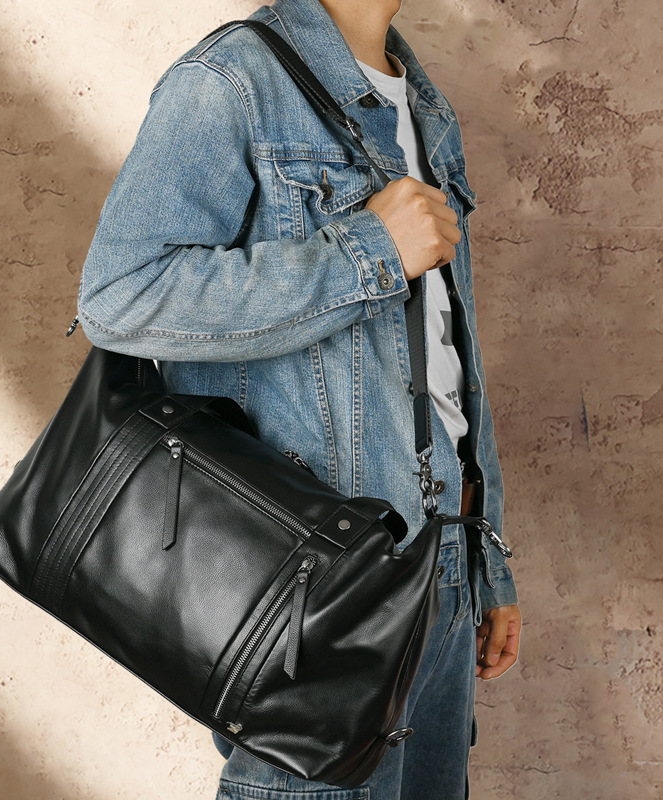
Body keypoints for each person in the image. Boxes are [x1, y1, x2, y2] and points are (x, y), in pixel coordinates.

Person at [76, 0, 521, 796]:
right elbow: (120, 295)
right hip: (312, 577)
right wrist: (368, 250)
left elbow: (448, 356)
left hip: (440, 561)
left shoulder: (421, 102)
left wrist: (484, 564)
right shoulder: (231, 81)